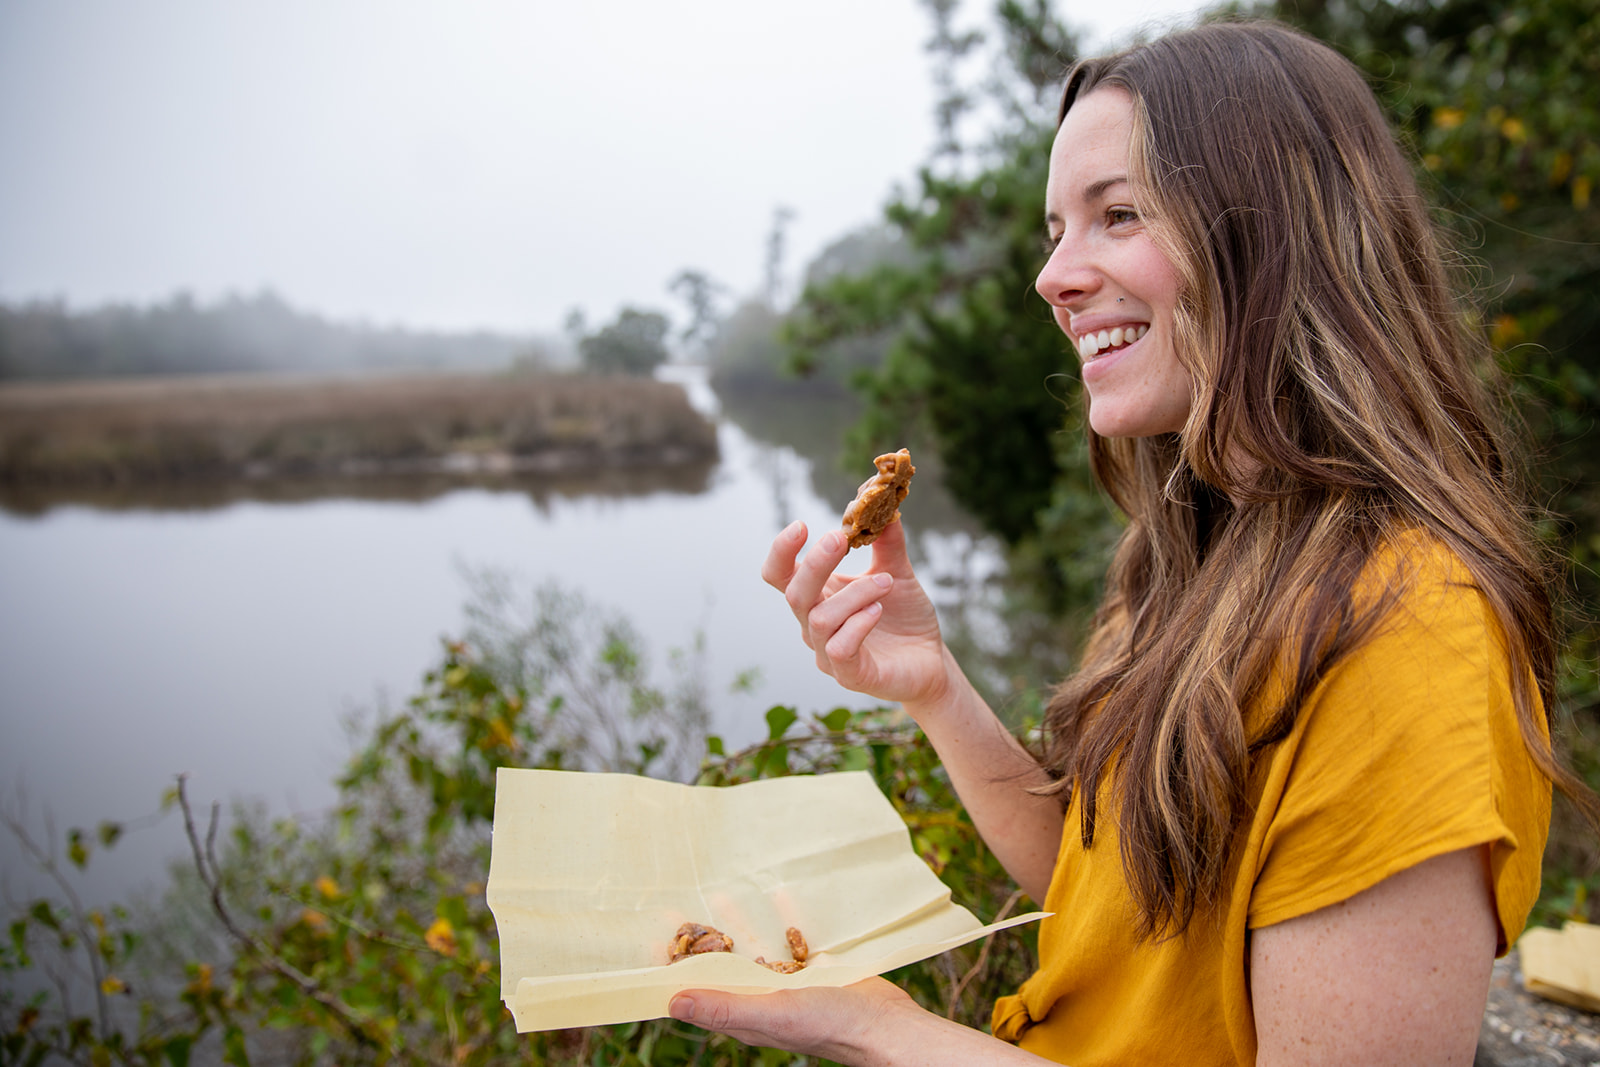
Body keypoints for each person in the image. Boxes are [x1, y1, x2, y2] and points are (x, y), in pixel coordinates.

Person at [668, 18, 1597, 1065]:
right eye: (1055, 229)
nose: (1054, 277)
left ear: (1273, 236)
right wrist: (933, 685)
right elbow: (1109, 889)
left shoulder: (1409, 627)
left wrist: (886, 1032)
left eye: (1117, 215)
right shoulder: (1197, 553)